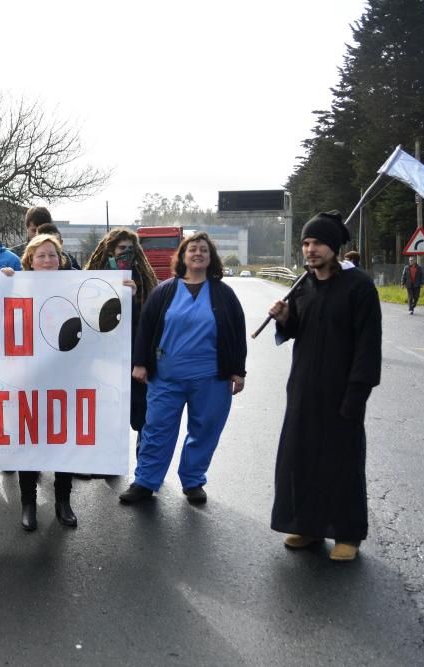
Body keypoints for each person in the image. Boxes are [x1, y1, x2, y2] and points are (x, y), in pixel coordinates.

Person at [267, 211, 382, 562]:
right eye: (305, 243)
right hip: (303, 387)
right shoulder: (304, 285)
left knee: (341, 460)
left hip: (343, 388)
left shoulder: (359, 287)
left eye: (317, 242)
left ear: (333, 247)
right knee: (300, 457)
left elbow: (368, 346)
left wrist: (357, 394)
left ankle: (347, 533)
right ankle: (308, 525)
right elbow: (301, 330)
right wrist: (286, 319)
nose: (310, 249)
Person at [120, 231, 246, 505]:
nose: (198, 253)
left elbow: (237, 332)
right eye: (192, 249)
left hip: (212, 378)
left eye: (204, 250)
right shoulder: (164, 291)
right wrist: (140, 363)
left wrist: (238, 370)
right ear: (183, 256)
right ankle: (145, 481)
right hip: (166, 377)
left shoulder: (224, 294)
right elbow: (147, 328)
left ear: (211, 258)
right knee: (156, 429)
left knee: (205, 430)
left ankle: (193, 481)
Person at [13, 234, 84, 530]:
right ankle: (28, 503)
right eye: (40, 255)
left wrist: (123, 289)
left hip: (65, 378)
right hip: (27, 379)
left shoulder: (76, 287)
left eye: (52, 255)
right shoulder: (15, 287)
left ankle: (62, 502)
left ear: (60, 259)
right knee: (28, 442)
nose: (47, 260)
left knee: (62, 440)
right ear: (29, 260)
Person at [86, 228, 158, 471]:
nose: (125, 254)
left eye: (130, 249)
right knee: (108, 412)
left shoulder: (144, 279)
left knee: (141, 414)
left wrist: (134, 298)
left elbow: (150, 324)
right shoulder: (94, 278)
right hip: (103, 358)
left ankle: (144, 468)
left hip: (134, 358)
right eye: (120, 249)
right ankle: (108, 464)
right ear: (109, 251)